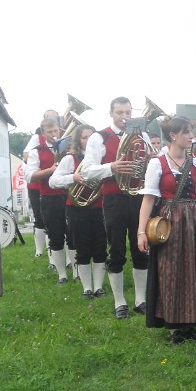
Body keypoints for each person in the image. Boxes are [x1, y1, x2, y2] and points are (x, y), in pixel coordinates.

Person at [137, 116, 196, 344]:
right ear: (173, 136)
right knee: (171, 270)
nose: (192, 136)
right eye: (187, 132)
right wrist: (141, 232)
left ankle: (192, 321)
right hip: (169, 223)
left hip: (192, 222)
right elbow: (149, 199)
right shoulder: (157, 163)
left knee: (194, 268)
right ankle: (174, 326)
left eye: (191, 132)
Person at [80, 97, 148, 318]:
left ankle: (141, 300)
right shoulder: (99, 137)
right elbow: (87, 171)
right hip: (114, 199)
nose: (125, 117)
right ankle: (120, 302)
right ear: (111, 113)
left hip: (138, 198)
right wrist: (112, 166)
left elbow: (150, 161)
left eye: (128, 112)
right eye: (120, 112)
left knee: (141, 249)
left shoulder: (142, 135)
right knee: (116, 250)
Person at [49, 124, 107, 299]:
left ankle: (99, 287)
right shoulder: (70, 159)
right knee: (82, 247)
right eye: (84, 137)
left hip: (100, 207)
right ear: (78, 140)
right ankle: (86, 288)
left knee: (100, 248)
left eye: (91, 137)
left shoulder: (102, 158)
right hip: (76, 208)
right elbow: (53, 181)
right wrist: (72, 177)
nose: (88, 140)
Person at [24, 118, 72, 283]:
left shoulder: (68, 147)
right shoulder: (37, 151)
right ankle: (62, 275)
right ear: (43, 134)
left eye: (56, 131)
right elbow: (30, 176)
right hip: (49, 198)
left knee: (72, 234)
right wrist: (50, 170)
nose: (54, 135)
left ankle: (77, 271)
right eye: (50, 132)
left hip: (69, 195)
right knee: (55, 236)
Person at [23, 109, 60, 261]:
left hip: (59, 189)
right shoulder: (36, 138)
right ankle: (40, 251)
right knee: (41, 219)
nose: (53, 133)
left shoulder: (64, 140)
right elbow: (26, 156)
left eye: (54, 118)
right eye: (48, 117)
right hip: (39, 186)